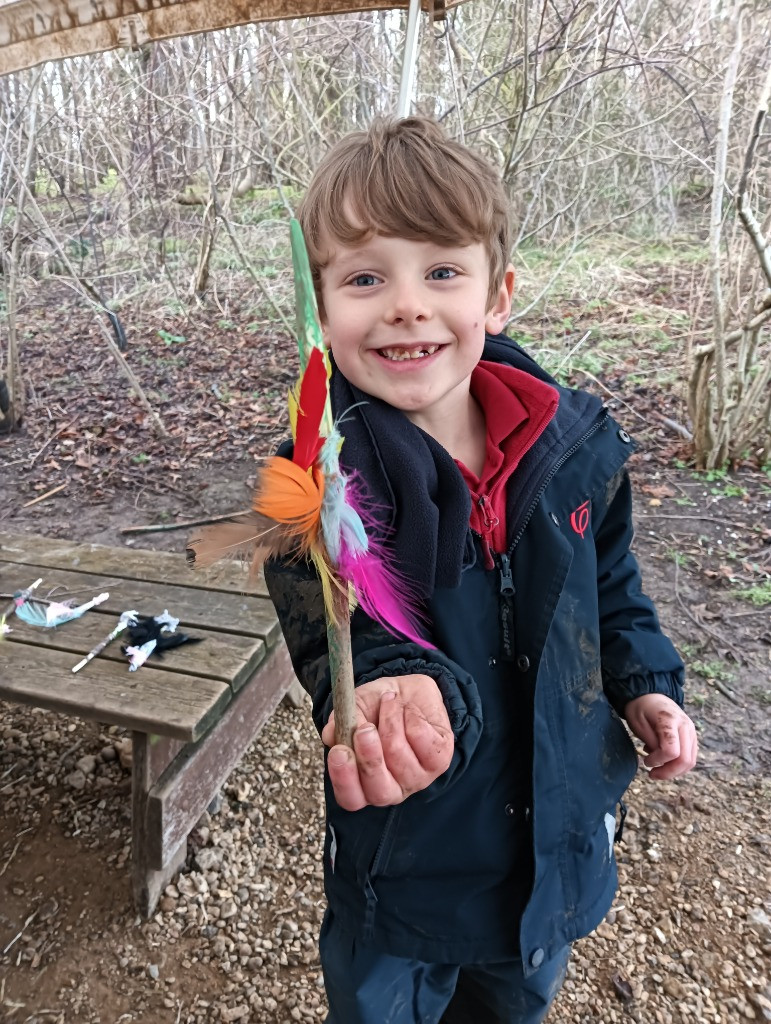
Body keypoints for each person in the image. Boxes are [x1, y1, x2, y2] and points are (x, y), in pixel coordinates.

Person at [263, 116, 698, 1024]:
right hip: (409, 859)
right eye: (365, 277)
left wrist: (641, 682)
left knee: (514, 1003)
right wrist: (386, 686)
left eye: (441, 272)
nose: (406, 305)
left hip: (555, 844)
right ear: (319, 305)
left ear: (497, 296)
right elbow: (328, 616)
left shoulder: (574, 447)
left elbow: (608, 583)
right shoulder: (321, 476)